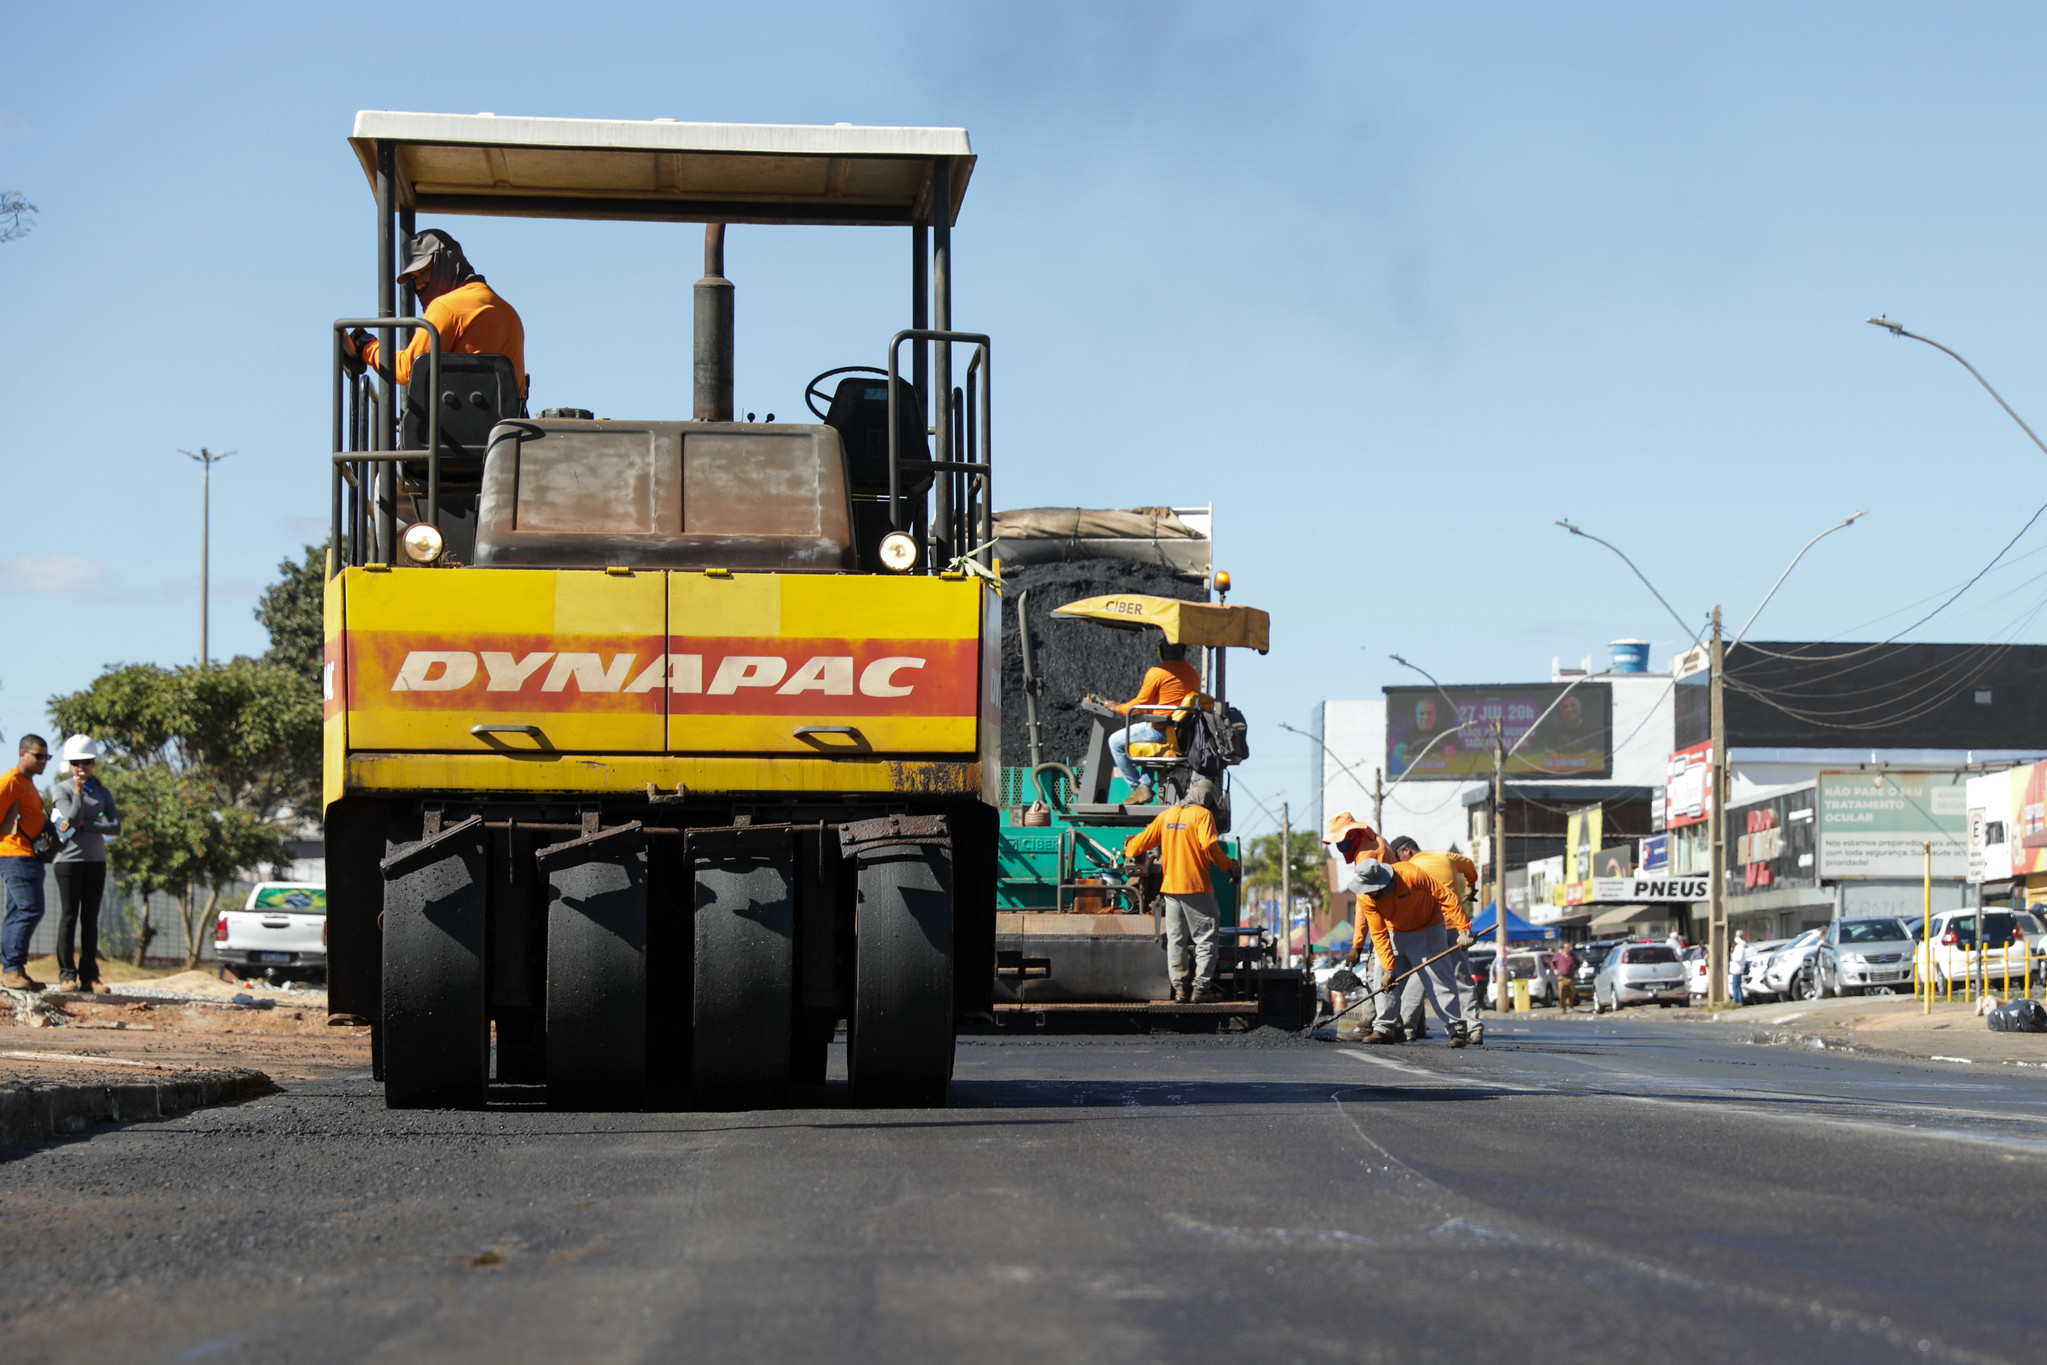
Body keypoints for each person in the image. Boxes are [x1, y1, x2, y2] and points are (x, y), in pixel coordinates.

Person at [340, 230, 528, 398]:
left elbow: (410, 369)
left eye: (426, 271)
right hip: (505, 424)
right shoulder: (507, 311)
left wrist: (367, 346)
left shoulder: (446, 307)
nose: (419, 284)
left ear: (448, 262)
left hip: (457, 424)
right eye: (414, 277)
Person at [1340, 854, 1472, 1047]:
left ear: (1383, 882)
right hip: (1395, 932)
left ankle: (1456, 1029)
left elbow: (1446, 896)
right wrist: (1389, 968)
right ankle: (1384, 1028)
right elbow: (1378, 933)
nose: (1368, 893)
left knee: (1439, 978)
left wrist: (1464, 928)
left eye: (1372, 890)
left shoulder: (1411, 874)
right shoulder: (1365, 896)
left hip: (1428, 929)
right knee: (1381, 975)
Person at [1124, 778, 1237, 1002]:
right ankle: (1201, 989)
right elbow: (1210, 847)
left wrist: (1129, 849)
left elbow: (1139, 843)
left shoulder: (1167, 815)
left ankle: (1180, 989)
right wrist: (1229, 865)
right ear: (1207, 799)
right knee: (1205, 939)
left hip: (1171, 890)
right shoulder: (1202, 815)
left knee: (1176, 939)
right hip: (1197, 888)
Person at [1388, 835, 1483, 1042]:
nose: (1396, 863)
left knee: (1420, 976)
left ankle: (1408, 1028)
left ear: (1406, 851)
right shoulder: (1446, 857)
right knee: (1462, 978)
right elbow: (1469, 865)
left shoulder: (1410, 869)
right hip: (1457, 928)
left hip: (1429, 930)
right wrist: (1470, 885)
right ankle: (1474, 1029)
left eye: (1396, 857)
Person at [1094, 639, 1202, 804]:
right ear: (1184, 651)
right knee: (1145, 740)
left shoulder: (1158, 672)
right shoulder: (1193, 674)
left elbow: (1140, 704)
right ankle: (1145, 784)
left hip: (1160, 731)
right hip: (1182, 735)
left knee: (1114, 742)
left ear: (1161, 651)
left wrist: (1117, 707)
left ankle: (1137, 787)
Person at [52, 736, 121, 993]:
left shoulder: (103, 792)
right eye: (76, 763)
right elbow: (70, 819)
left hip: (96, 861)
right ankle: (67, 975)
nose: (81, 767)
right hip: (68, 861)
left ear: (93, 763)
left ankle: (90, 976)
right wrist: (79, 794)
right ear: (70, 764)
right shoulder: (62, 789)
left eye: (87, 762)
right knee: (69, 916)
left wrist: (87, 826)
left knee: (90, 919)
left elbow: (115, 827)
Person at [0, 735, 54, 992]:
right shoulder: (10, 782)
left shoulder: (28, 784)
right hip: (15, 855)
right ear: (23, 754)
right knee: (30, 909)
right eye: (38, 756)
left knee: (18, 911)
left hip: (29, 856)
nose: (43, 761)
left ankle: (15, 969)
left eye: (47, 757)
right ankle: (11, 970)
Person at [1551, 942, 1580, 1012]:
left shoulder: (1572, 955)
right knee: (1561, 992)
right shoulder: (1559, 955)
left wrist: (1575, 969)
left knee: (1572, 992)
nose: (1569, 949)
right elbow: (1552, 963)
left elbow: (1578, 963)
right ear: (1563, 949)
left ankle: (1570, 1004)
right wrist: (1555, 970)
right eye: (1567, 947)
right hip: (1562, 977)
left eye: (1569, 947)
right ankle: (1563, 1007)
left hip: (1570, 977)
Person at [1729, 930, 1749, 1006]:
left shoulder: (1740, 948)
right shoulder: (1736, 948)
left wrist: (1732, 957)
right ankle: (1738, 999)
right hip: (1735, 969)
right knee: (1736, 986)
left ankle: (1738, 999)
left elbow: (1739, 958)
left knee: (1736, 986)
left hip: (1738, 969)